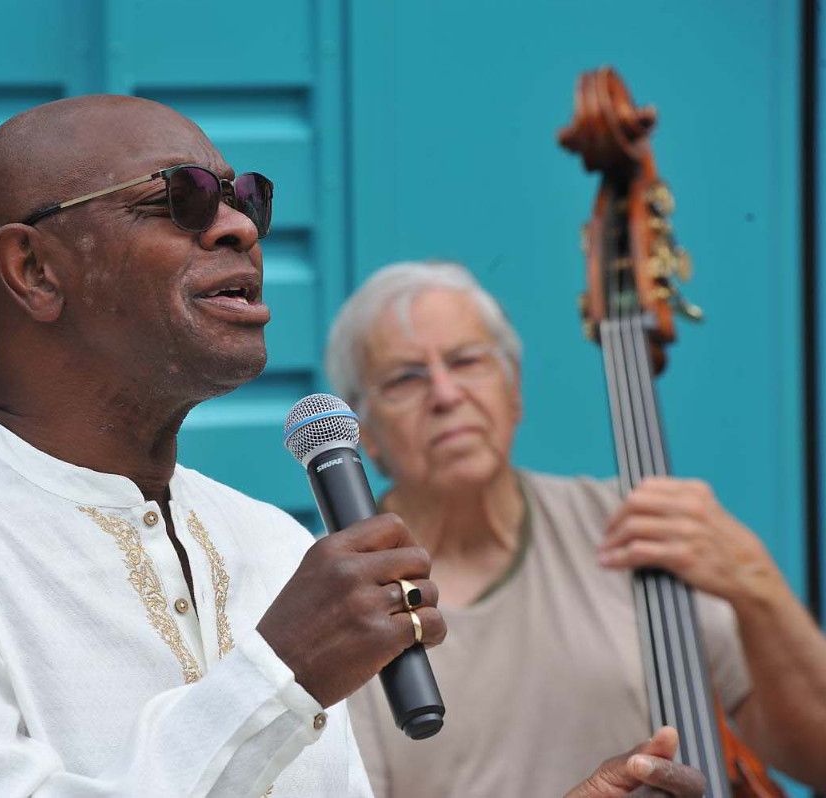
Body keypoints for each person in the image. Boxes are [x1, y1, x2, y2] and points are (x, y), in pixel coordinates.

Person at [0, 97, 708, 797]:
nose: (240, 226)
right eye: (179, 199)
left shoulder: (269, 542)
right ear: (34, 269)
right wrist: (279, 675)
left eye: (245, 194)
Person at [330, 261, 826, 797]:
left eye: (467, 361)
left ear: (514, 390)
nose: (446, 394)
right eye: (406, 378)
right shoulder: (346, 599)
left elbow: (815, 756)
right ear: (365, 432)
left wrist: (758, 585)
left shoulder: (635, 526)